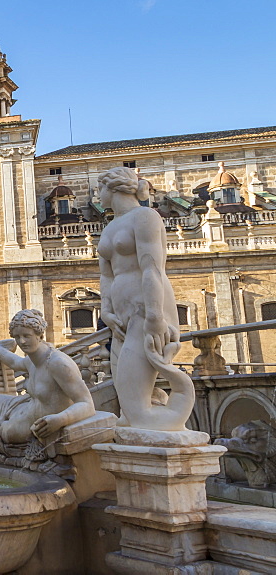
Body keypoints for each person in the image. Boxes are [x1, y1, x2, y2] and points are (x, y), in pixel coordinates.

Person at [97, 166, 195, 432]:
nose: (98, 196)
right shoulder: (108, 229)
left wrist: (155, 317)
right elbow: (106, 276)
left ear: (113, 188)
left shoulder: (145, 216)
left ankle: (167, 431)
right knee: (127, 409)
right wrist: (106, 311)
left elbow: (152, 266)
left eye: (100, 189)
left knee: (136, 411)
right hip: (121, 317)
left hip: (147, 308)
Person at [0, 309, 95, 458]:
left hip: (26, 427)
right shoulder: (33, 359)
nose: (22, 341)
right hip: (22, 407)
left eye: (27, 336)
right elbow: (15, 362)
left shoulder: (58, 364)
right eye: (17, 337)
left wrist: (60, 419)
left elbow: (87, 404)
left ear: (40, 335)